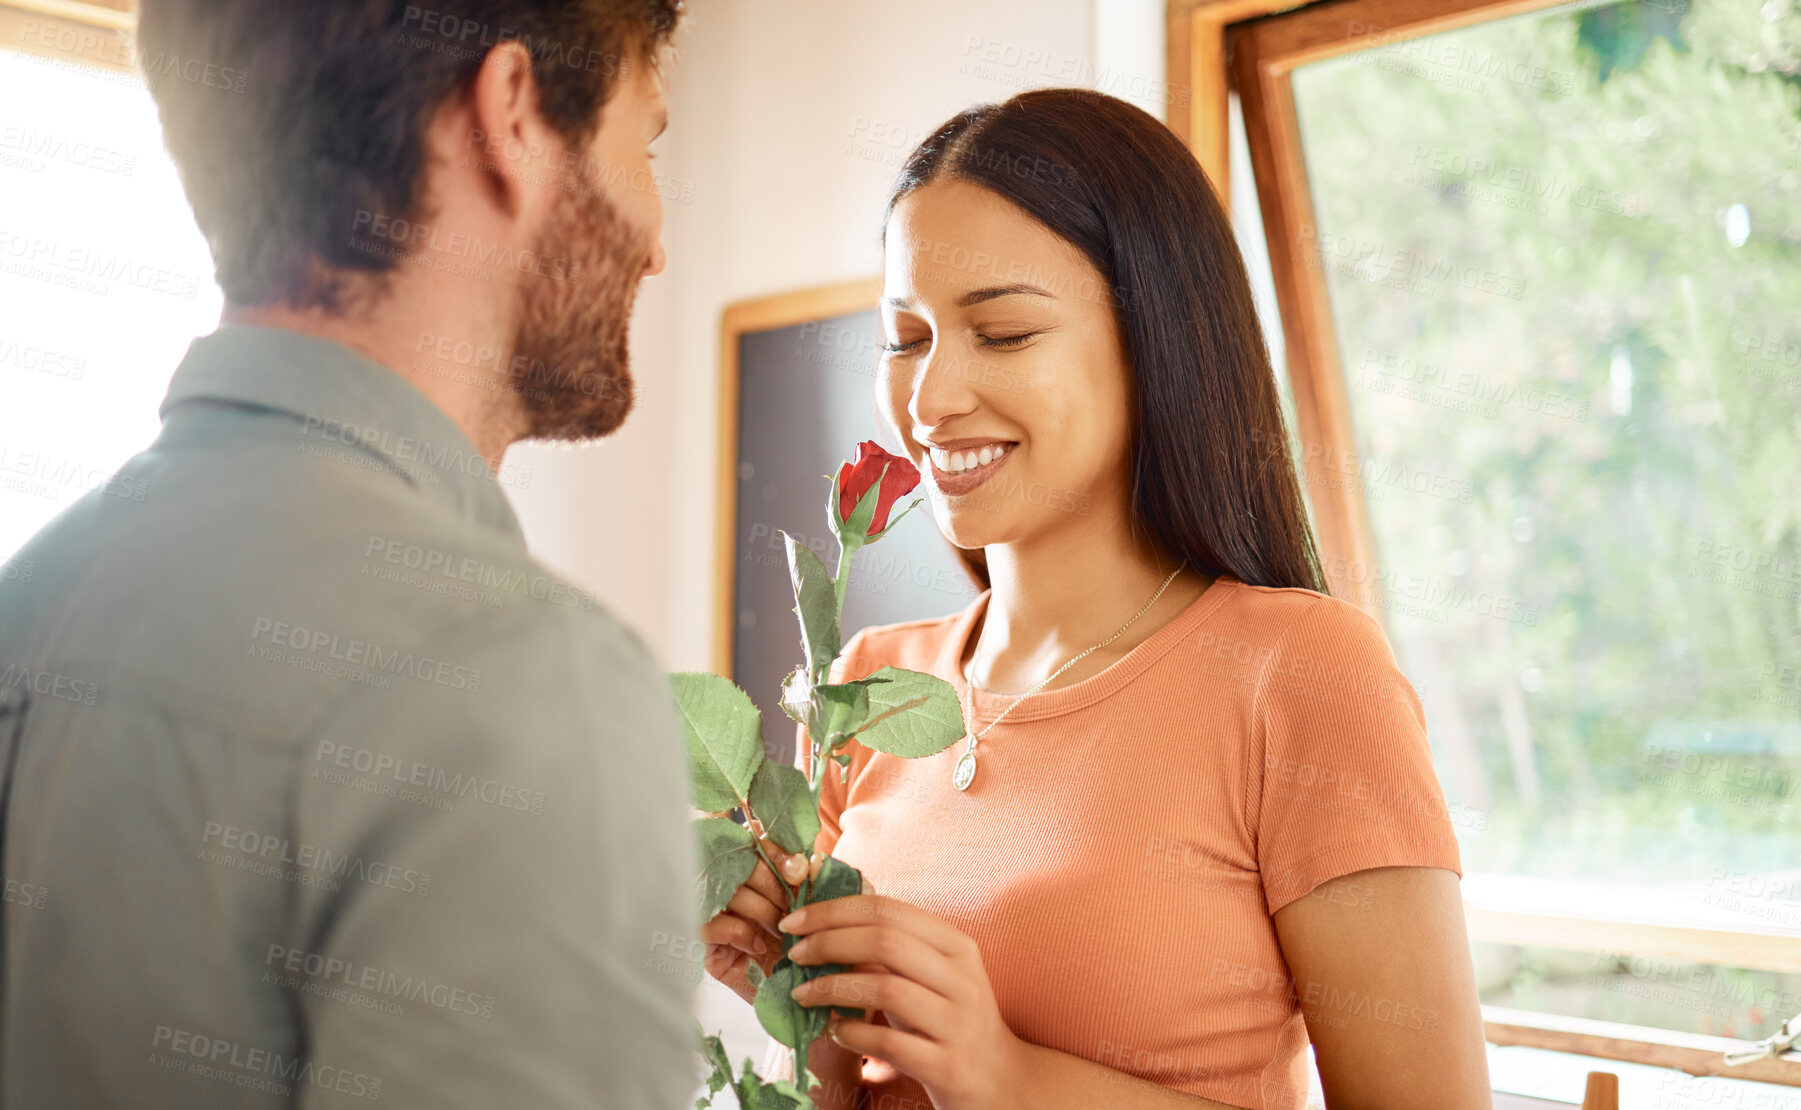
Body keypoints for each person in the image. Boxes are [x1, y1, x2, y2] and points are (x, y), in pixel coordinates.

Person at [704, 88, 1492, 1110]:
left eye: (1004, 333)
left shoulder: (1300, 674)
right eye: (904, 338)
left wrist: (1007, 1076)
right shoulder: (862, 686)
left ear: (1154, 339)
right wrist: (803, 1028)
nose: (930, 400)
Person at [0, 2, 695, 1107]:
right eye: (642, 145)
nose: (659, 244)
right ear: (511, 113)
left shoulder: (29, 595)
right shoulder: (518, 683)